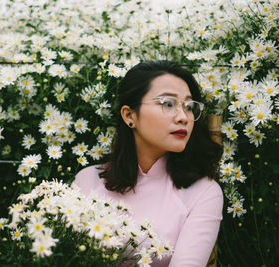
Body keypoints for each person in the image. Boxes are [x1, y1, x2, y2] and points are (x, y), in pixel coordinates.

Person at [73, 60, 223, 267]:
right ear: (129, 115)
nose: (183, 117)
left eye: (189, 107)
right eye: (168, 104)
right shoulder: (88, 181)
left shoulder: (202, 193)